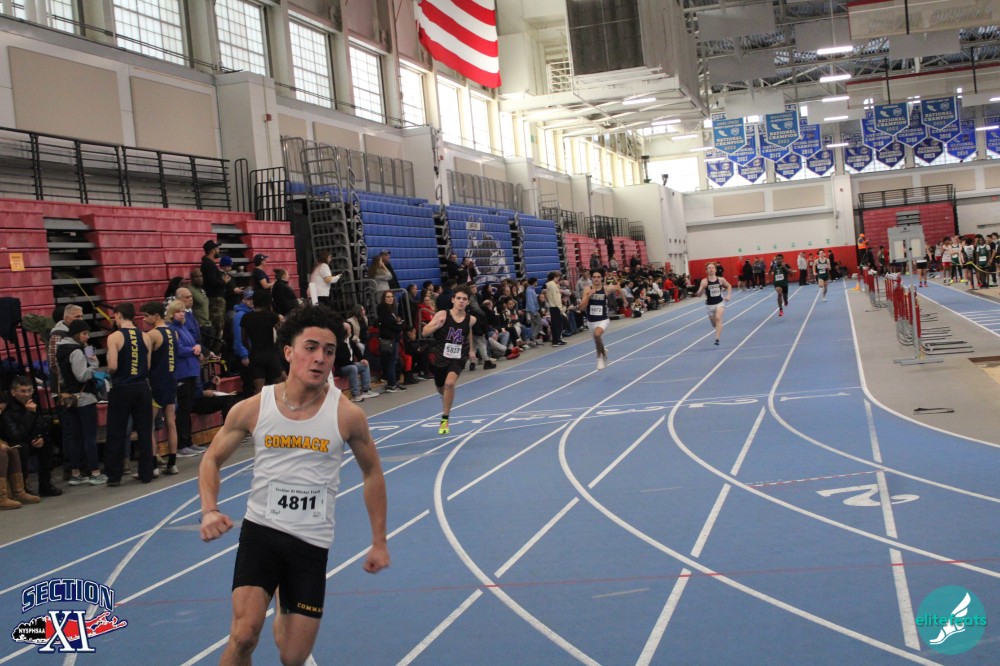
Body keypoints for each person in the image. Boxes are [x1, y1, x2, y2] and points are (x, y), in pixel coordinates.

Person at [198, 304, 389, 665]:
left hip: (310, 543)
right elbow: (211, 459)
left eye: (328, 351)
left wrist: (379, 542)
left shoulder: (347, 415)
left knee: (292, 656)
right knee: (243, 635)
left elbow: (373, 474)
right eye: (310, 348)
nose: (319, 359)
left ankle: (284, 609)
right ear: (288, 352)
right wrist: (209, 509)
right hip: (261, 533)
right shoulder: (254, 408)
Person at [104, 302, 155, 486]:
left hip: (122, 387)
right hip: (141, 387)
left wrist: (109, 367)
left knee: (116, 432)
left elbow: (113, 366)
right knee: (144, 431)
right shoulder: (145, 336)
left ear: (118, 315)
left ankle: (114, 476)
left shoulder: (114, 337)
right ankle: (146, 472)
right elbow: (148, 365)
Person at [56, 320, 107, 486]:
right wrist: (94, 365)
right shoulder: (77, 351)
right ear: (76, 334)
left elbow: (61, 376)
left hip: (70, 398)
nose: (87, 337)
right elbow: (82, 376)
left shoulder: (60, 349)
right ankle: (95, 472)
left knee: (75, 437)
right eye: (84, 333)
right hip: (84, 397)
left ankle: (75, 473)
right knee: (89, 436)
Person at [422, 286, 476, 435]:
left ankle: (445, 419)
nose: (461, 301)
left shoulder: (471, 319)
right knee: (441, 386)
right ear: (453, 300)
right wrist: (436, 326)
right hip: (441, 355)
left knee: (449, 383)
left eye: (464, 299)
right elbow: (424, 332)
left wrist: (471, 350)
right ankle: (444, 396)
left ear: (468, 302)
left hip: (459, 356)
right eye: (458, 298)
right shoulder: (442, 315)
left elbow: (468, 332)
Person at [0, 376, 61, 496]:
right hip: (13, 443)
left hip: (28, 440)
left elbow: (38, 425)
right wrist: (29, 413)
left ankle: (45, 484)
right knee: (22, 448)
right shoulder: (8, 410)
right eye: (23, 391)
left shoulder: (31, 404)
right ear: (13, 392)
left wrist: (39, 437)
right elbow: (16, 435)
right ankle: (21, 488)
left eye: (29, 390)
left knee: (46, 442)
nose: (27, 394)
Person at [141, 300, 179, 475]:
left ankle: (153, 466)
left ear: (156, 316)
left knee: (148, 424)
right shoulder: (173, 332)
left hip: (156, 383)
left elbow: (147, 363)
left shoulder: (152, 335)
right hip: (170, 380)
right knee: (170, 422)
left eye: (146, 316)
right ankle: (172, 463)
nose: (143, 319)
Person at [580, 269, 622, 369]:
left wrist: (624, 300)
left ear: (602, 278)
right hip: (591, 321)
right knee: (597, 341)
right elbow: (582, 307)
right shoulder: (587, 289)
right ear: (591, 278)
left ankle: (599, 358)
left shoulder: (605, 288)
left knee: (597, 335)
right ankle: (603, 353)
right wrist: (589, 296)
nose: (596, 279)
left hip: (603, 319)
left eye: (598, 277)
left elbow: (618, 288)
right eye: (594, 277)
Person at [694, 262, 732, 345]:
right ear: (706, 271)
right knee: (715, 324)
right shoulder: (704, 281)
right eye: (709, 268)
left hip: (720, 303)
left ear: (715, 270)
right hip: (709, 305)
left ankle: (717, 338)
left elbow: (729, 286)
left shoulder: (721, 280)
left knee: (718, 318)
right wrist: (697, 292)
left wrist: (728, 296)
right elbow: (699, 294)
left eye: (712, 268)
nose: (711, 269)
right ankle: (718, 328)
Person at [376, 290, 407, 392]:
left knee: (395, 361)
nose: (390, 299)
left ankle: (395, 382)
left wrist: (399, 324)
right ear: (384, 299)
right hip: (389, 340)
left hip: (394, 339)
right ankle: (391, 384)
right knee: (391, 362)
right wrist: (399, 325)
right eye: (388, 297)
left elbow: (400, 323)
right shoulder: (383, 311)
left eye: (391, 297)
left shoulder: (392, 310)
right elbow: (394, 325)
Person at [544, 271, 566, 346]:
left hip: (552, 307)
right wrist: (560, 308)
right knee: (557, 324)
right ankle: (556, 340)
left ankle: (557, 339)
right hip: (556, 307)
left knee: (556, 324)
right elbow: (557, 298)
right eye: (557, 277)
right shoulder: (553, 286)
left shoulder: (549, 285)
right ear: (554, 277)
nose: (558, 279)